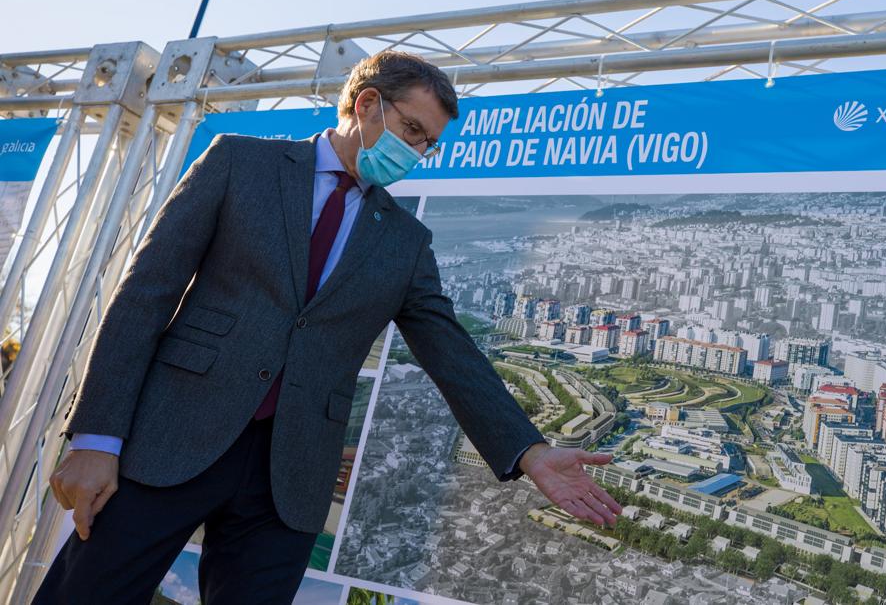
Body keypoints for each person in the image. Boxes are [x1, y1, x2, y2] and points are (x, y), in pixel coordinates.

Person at [34, 51, 622, 604]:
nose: (417, 152)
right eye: (413, 131)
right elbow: (145, 296)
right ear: (367, 104)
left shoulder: (405, 239)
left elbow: (450, 351)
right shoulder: (239, 162)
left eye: (429, 145)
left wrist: (529, 450)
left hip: (290, 476)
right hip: (170, 438)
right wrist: (94, 439)